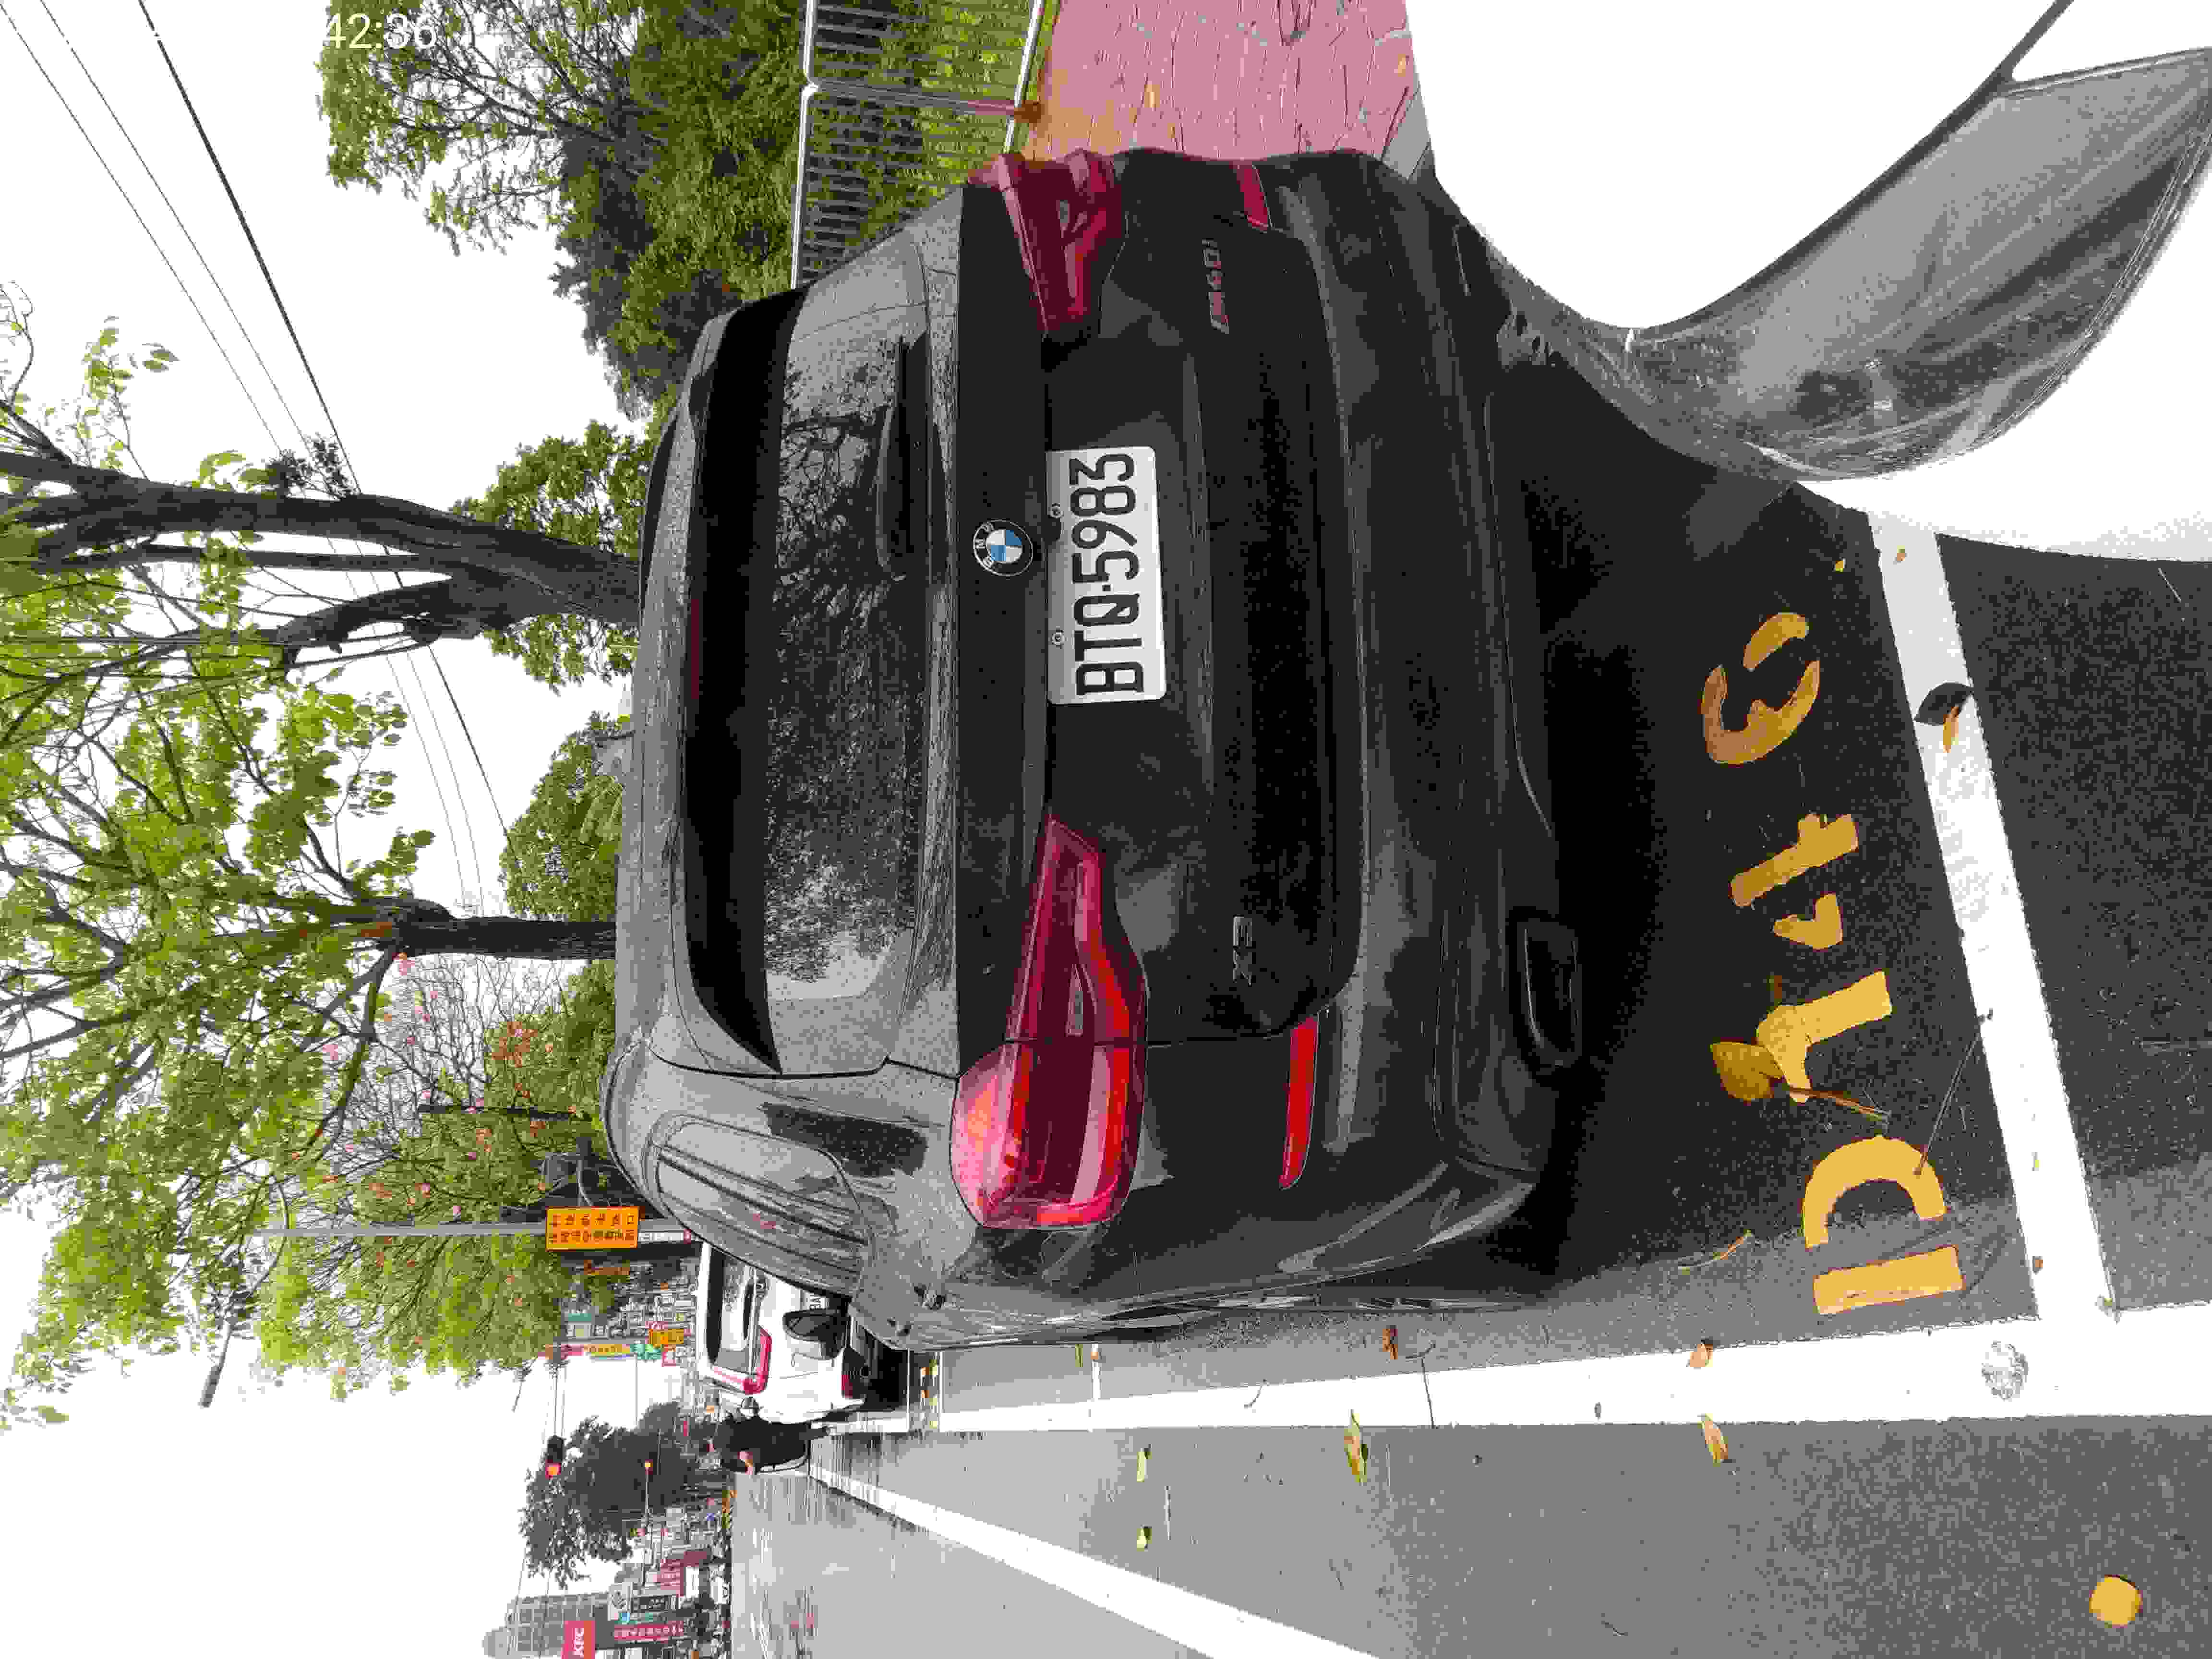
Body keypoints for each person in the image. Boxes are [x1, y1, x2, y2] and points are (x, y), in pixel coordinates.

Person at [711, 1408, 831, 1476]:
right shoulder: (721, 1428)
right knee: (794, 1429)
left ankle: (825, 1431)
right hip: (762, 1425)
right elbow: (734, 1416)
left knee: (796, 1436)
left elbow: (750, 1468)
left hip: (765, 1445)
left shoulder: (726, 1455)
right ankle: (824, 1417)